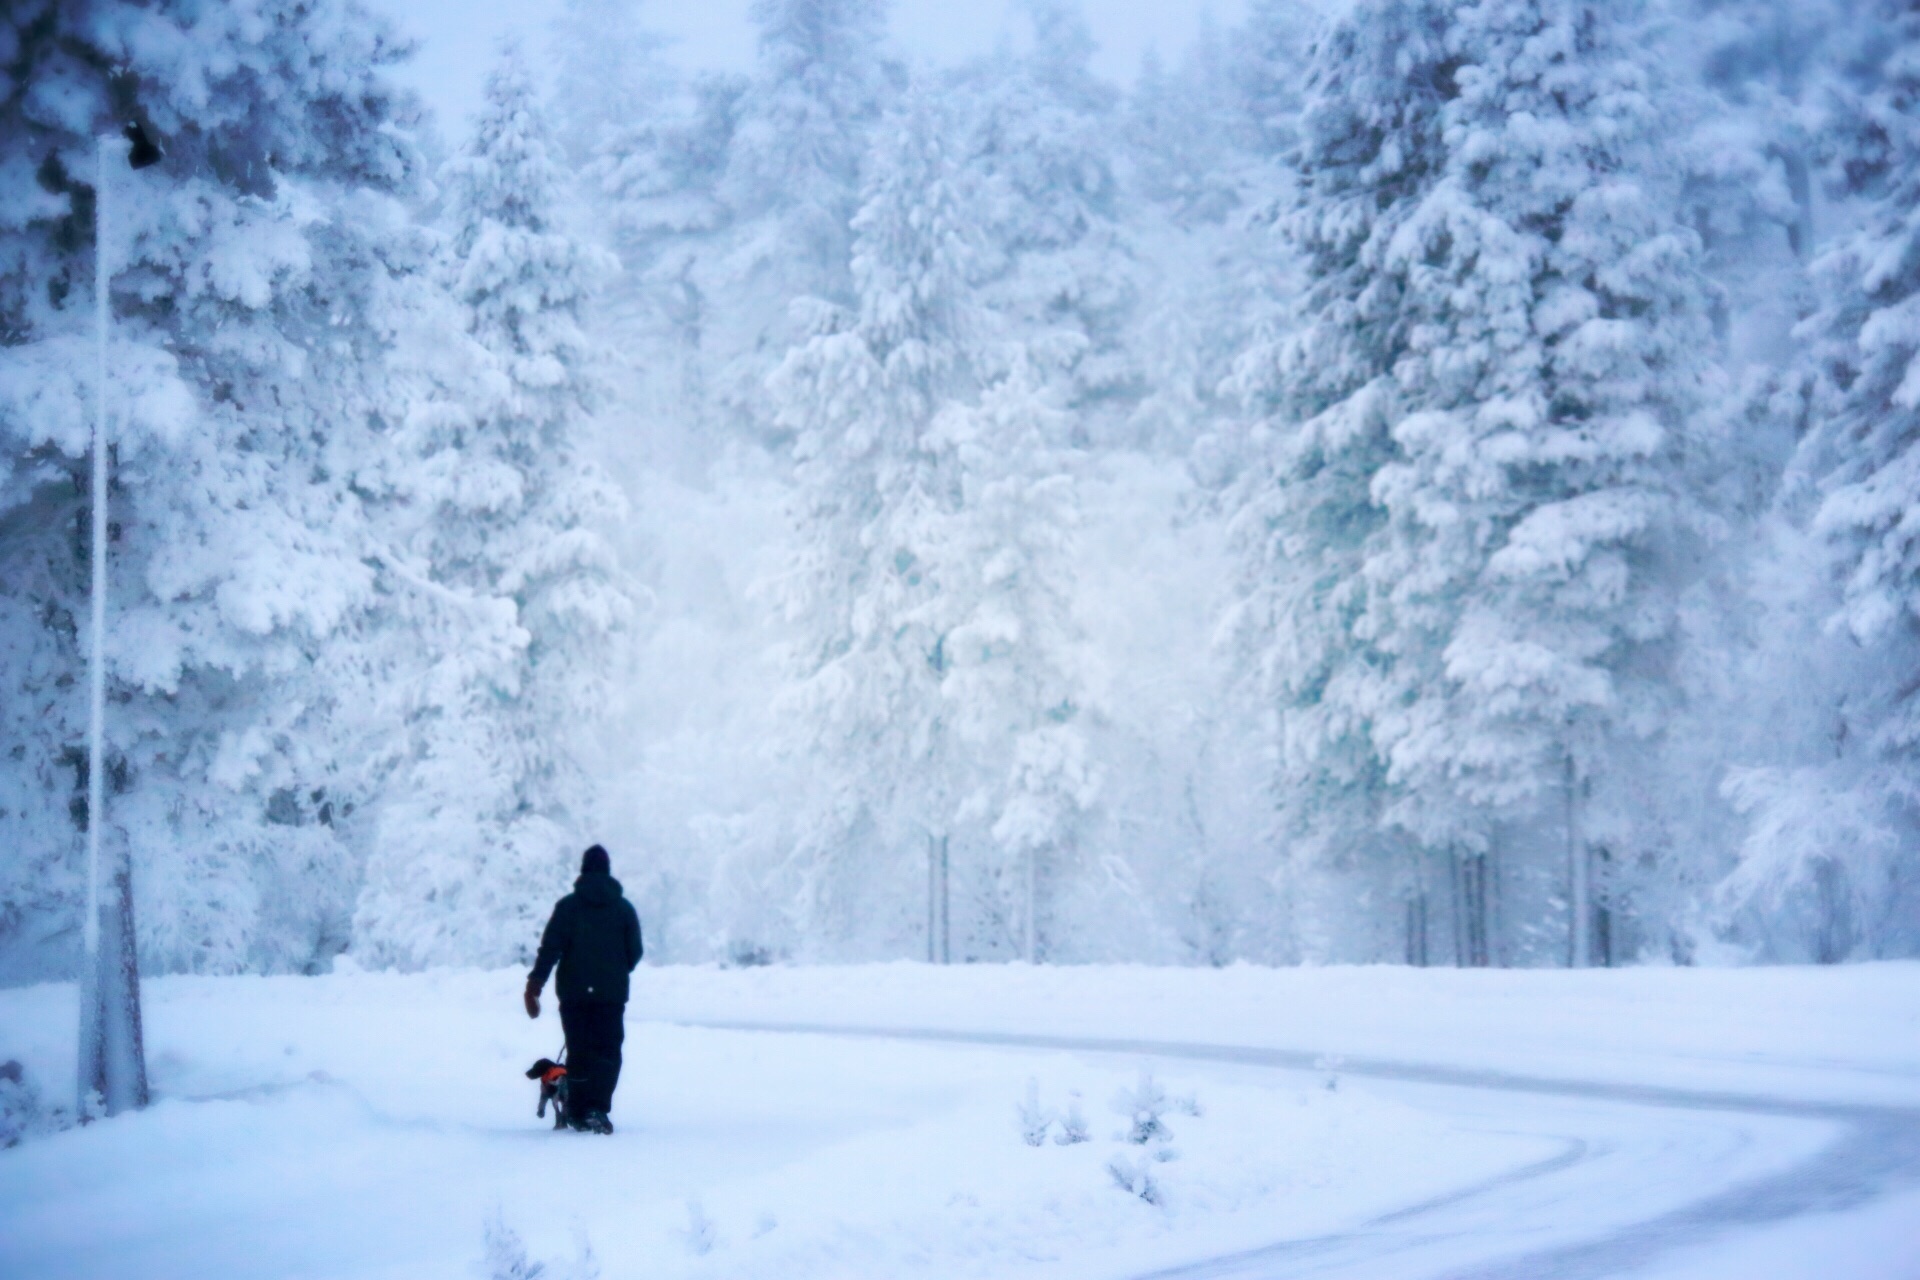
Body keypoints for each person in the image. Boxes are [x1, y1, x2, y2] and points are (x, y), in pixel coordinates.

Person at [524, 844, 643, 1134]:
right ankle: (596, 1109)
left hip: (574, 995)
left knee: (579, 1051)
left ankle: (577, 1110)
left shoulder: (568, 908)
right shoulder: (623, 909)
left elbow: (550, 949)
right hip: (610, 996)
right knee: (607, 1051)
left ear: (583, 870)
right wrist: (613, 972)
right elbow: (635, 952)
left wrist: (535, 984)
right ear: (607, 870)